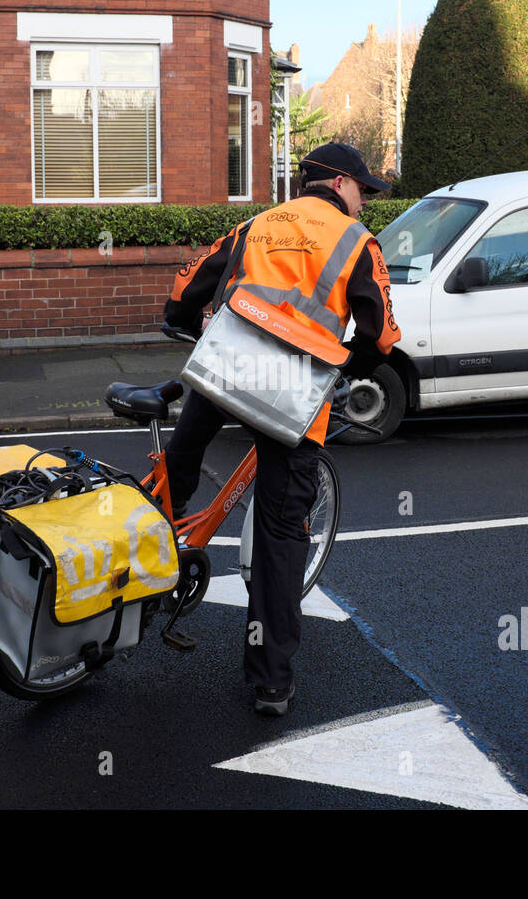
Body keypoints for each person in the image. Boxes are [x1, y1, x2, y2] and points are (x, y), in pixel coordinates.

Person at [162, 142, 400, 716]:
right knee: (279, 530)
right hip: (292, 396)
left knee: (179, 467)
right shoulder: (355, 243)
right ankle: (269, 681)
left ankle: (147, 568)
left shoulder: (256, 223)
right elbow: (381, 334)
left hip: (226, 370)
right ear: (338, 183)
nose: (364, 200)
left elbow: (185, 291)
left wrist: (181, 322)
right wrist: (348, 364)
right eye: (362, 189)